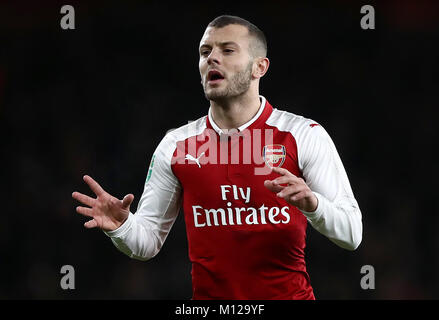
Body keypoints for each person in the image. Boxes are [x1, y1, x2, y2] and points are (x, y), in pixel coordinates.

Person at [72, 15, 362, 300]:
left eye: (227, 50)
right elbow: (146, 243)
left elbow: (352, 234)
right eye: (205, 51)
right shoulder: (177, 145)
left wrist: (313, 205)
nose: (212, 58)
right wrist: (122, 227)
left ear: (259, 67)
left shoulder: (302, 134)